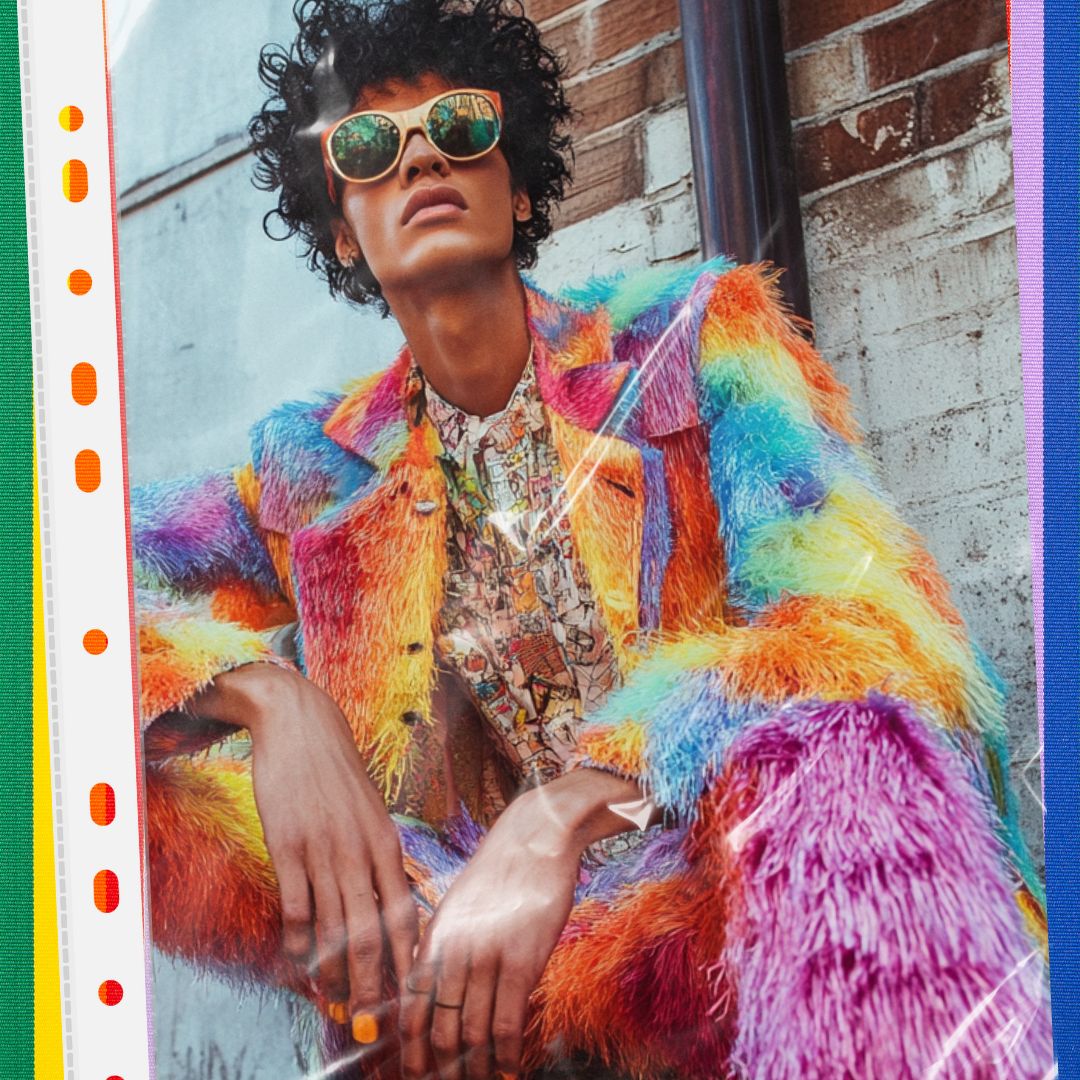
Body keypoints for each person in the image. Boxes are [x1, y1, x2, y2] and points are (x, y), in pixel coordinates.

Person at [132, 0, 1053, 1076]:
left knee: (850, 749)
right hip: (448, 967)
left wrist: (568, 809)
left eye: (461, 126)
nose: (422, 157)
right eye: (370, 146)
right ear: (343, 228)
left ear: (516, 186)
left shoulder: (690, 340)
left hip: (710, 927)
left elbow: (866, 618)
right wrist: (264, 696)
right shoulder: (310, 466)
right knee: (105, 764)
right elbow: (72, 588)